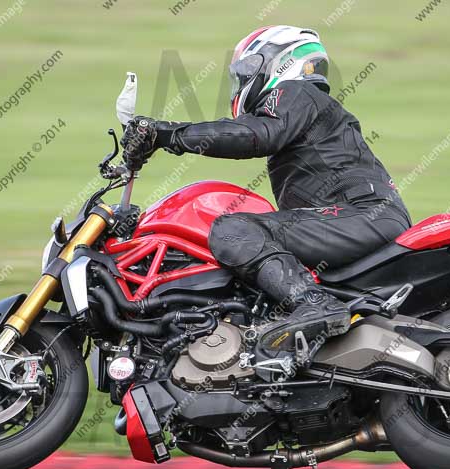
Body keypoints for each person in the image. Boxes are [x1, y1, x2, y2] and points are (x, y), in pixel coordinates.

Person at [121, 25, 411, 355]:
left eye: (247, 69)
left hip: (362, 214)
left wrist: (168, 134)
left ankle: (314, 304)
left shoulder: (296, 92)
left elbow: (255, 135)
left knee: (233, 229)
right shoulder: (305, 112)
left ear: (281, 61)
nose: (242, 81)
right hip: (362, 217)